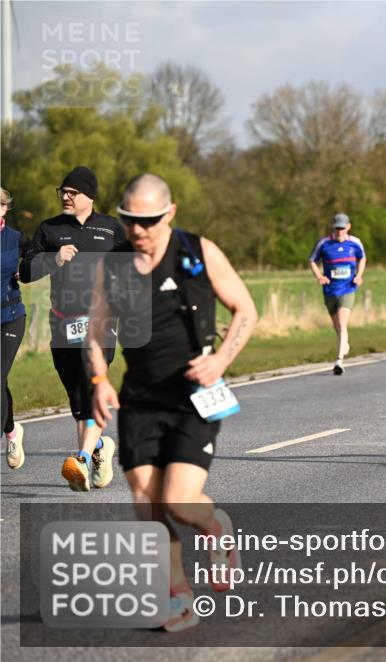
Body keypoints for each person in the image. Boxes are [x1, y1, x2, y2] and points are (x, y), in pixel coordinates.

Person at [88, 173, 258, 631]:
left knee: (180, 502)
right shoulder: (114, 262)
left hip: (192, 396)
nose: (137, 230)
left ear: (170, 213)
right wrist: (100, 378)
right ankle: (177, 597)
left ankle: (214, 526)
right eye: (129, 220)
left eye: (147, 220)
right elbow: (97, 327)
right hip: (140, 397)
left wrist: (221, 359)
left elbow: (246, 309)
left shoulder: (198, 253)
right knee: (148, 504)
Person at [20, 166, 128, 491]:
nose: (66, 197)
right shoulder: (50, 229)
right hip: (62, 322)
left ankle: (80, 458)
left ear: (89, 196)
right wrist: (53, 258)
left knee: (93, 387)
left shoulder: (111, 230)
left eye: (72, 192)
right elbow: (25, 271)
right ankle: (99, 448)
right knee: (77, 395)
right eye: (63, 192)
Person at [308, 213, 365, 375]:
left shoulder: (355, 243)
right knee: (337, 326)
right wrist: (320, 276)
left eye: (342, 228)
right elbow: (312, 260)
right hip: (330, 289)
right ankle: (344, 342)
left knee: (342, 320)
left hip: (348, 288)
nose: (339, 231)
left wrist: (359, 275)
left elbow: (362, 258)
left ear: (348, 227)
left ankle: (339, 361)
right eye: (337, 228)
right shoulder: (324, 243)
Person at [1, 188, 26, 469]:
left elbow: (35, 257)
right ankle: (12, 432)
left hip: (10, 315)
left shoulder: (17, 239)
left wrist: (27, 267)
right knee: (1, 380)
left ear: (4, 209)